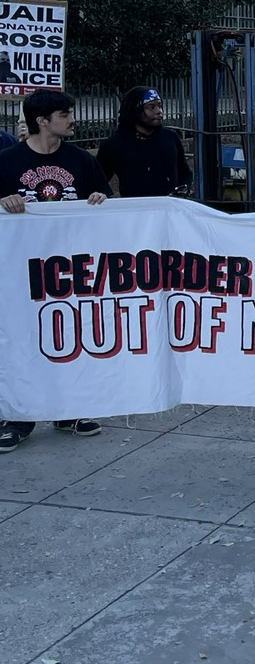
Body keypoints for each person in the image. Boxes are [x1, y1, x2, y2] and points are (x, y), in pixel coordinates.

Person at [0, 88, 110, 450]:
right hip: (20, 270)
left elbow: (108, 203)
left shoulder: (81, 161)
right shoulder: (7, 161)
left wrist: (100, 200)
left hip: (69, 269)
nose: (72, 120)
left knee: (69, 337)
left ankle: (69, 409)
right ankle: (18, 417)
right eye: (64, 115)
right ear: (42, 121)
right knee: (21, 340)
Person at [96, 86, 191, 197]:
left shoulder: (170, 138)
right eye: (151, 107)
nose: (159, 111)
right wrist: (101, 195)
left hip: (171, 206)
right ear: (135, 111)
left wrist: (183, 190)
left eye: (159, 106)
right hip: (135, 207)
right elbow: (97, 182)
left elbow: (185, 173)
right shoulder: (114, 145)